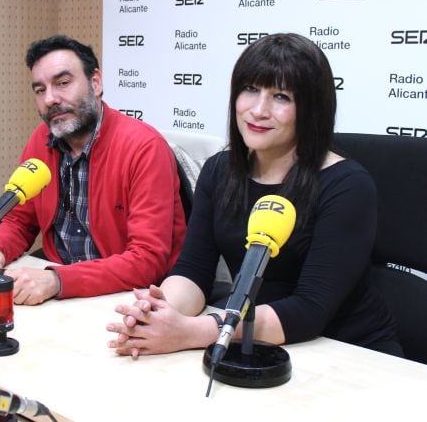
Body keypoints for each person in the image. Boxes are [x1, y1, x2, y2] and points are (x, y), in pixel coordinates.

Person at [107, 33, 402, 358]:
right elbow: (193, 270)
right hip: (254, 345)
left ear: (312, 109)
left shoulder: (347, 185)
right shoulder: (219, 171)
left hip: (347, 354)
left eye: (281, 97)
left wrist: (191, 331)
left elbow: (310, 310)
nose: (259, 110)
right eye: (250, 90)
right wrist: (160, 311)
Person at [0, 34, 187, 304]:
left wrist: (58, 281)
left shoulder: (144, 147)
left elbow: (147, 260)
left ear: (95, 82)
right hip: (61, 287)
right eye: (40, 90)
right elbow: (20, 220)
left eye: (62, 83)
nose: (50, 99)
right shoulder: (41, 140)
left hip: (130, 296)